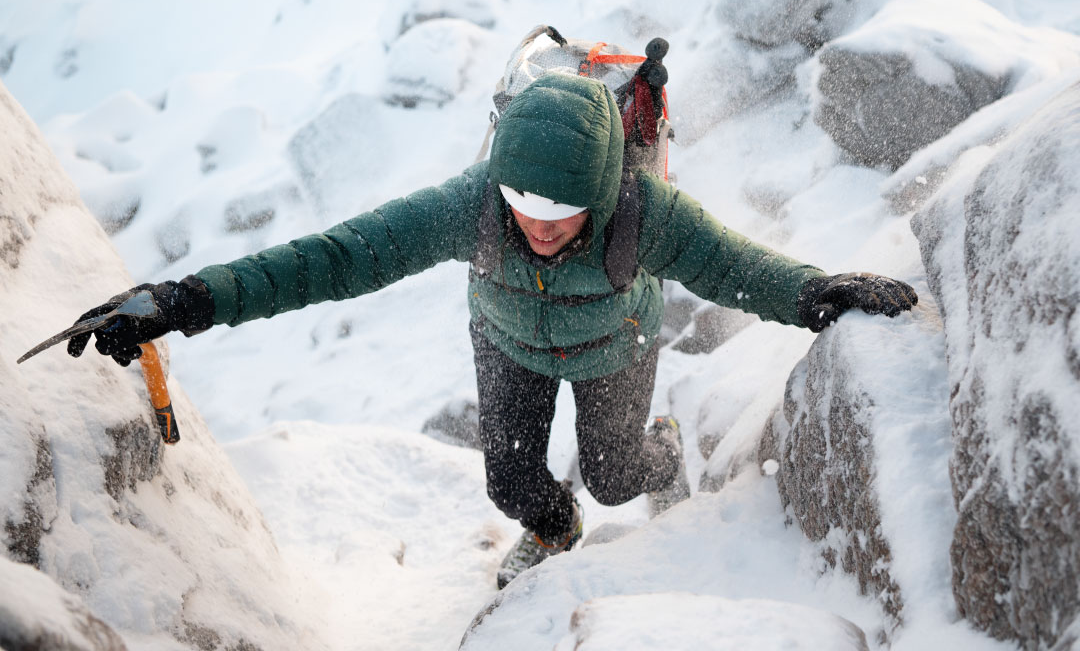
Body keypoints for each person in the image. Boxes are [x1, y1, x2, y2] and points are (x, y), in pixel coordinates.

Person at [67, 73, 917, 589]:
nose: (537, 226)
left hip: (614, 347)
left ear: (604, 187)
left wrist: (816, 294)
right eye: (523, 204)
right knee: (512, 486)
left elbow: (740, 266)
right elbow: (330, 259)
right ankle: (554, 529)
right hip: (508, 341)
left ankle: (658, 448)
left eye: (560, 211)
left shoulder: (643, 212)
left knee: (618, 478)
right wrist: (184, 300)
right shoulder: (472, 205)